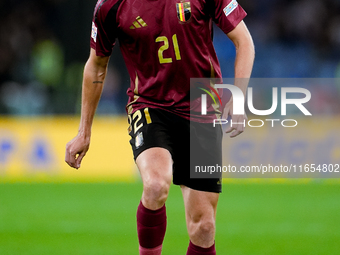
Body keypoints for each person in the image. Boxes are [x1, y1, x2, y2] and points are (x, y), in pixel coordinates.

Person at [65, 0, 254, 254]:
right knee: (155, 185)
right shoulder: (110, 6)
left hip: (202, 108)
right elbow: (96, 65)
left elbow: (245, 41)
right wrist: (83, 132)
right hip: (149, 105)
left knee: (204, 228)